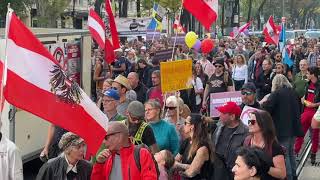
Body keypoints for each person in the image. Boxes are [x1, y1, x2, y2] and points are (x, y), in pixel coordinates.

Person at [261, 74, 303, 180]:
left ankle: (288, 177)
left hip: (281, 130)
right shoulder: (294, 93)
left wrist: (262, 102)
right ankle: (294, 176)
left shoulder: (276, 94)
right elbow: (300, 108)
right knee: (291, 153)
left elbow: (266, 110)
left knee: (285, 156)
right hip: (293, 129)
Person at [91, 122, 158, 179]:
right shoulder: (106, 157)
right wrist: (99, 164)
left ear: (119, 136)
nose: (103, 142)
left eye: (106, 137)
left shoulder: (142, 154)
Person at [244, 110, 286, 179]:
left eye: (253, 122)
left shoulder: (273, 146)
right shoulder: (247, 141)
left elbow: (282, 174)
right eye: (249, 121)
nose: (249, 124)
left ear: (263, 124)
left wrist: (266, 167)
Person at [212, 101, 249, 179]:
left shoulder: (246, 132)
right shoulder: (219, 127)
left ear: (232, 116)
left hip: (234, 173)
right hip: (217, 172)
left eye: (223, 113)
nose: (220, 115)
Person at [175, 114, 215, 179]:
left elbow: (192, 172)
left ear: (192, 127)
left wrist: (178, 165)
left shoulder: (203, 148)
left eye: (185, 123)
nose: (183, 125)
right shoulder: (186, 141)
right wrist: (186, 166)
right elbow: (176, 159)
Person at [294, 66, 320, 164]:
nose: (307, 75)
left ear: (313, 74)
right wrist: (303, 100)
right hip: (306, 112)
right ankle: (295, 152)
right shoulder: (308, 84)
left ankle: (313, 154)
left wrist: (314, 104)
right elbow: (305, 96)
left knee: (315, 136)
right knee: (300, 133)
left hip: (315, 113)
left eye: (308, 73)